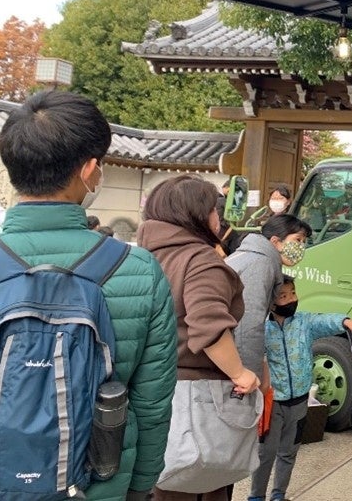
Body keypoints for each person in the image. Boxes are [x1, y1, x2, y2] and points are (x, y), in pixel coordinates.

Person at [0, 89, 177, 500]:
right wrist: (140, 486)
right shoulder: (138, 271)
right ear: (90, 170)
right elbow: (152, 404)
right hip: (99, 485)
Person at [137, 174, 261, 501]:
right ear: (195, 215)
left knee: (161, 484)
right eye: (213, 210)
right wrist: (241, 373)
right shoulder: (200, 259)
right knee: (198, 479)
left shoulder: (141, 257)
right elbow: (208, 325)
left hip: (145, 392)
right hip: (196, 397)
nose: (218, 218)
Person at [251, 275, 352, 501]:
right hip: (273, 401)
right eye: (283, 296)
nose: (291, 300)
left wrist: (345, 321)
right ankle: (256, 496)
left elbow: (324, 320)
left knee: (289, 452)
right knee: (265, 453)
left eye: (293, 294)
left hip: (299, 400)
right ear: (270, 302)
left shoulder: (303, 322)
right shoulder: (261, 328)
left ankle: (279, 495)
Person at [227, 214, 313, 382]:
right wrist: (250, 375)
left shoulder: (252, 256)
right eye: (297, 240)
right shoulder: (260, 264)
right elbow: (248, 324)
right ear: (275, 242)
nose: (301, 247)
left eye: (304, 242)